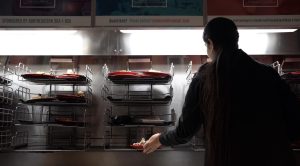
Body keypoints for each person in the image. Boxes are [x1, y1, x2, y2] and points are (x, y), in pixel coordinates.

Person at [143, 17, 300, 166]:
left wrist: (160, 139)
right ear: (236, 40)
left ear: (210, 44)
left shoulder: (204, 78)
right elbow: (294, 125)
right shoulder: (269, 74)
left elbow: (184, 132)